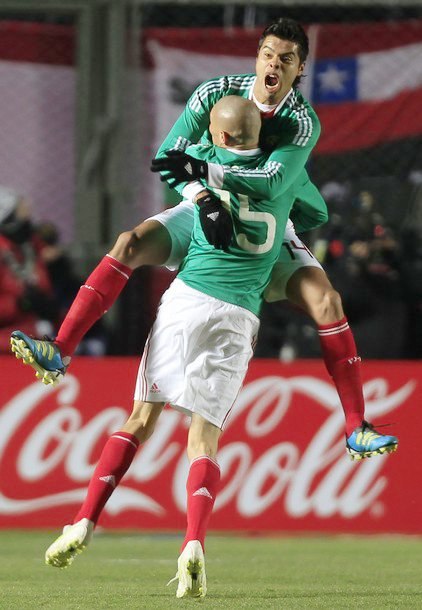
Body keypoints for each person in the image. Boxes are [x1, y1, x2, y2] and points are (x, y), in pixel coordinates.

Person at [10, 17, 397, 459]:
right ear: (257, 57)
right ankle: (59, 349)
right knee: (130, 242)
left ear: (299, 69)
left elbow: (271, 182)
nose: (274, 64)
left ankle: (355, 427)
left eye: (286, 59)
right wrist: (203, 196)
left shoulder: (301, 121)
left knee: (327, 302)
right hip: (205, 201)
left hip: (271, 221)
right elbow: (167, 156)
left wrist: (204, 169)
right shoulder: (215, 93)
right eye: (268, 54)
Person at [43, 96, 308, 596]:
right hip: (238, 316)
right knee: (203, 441)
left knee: (141, 418)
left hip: (188, 300)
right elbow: (312, 206)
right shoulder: (278, 180)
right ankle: (193, 543)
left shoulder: (209, 168)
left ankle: (82, 521)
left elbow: (169, 158)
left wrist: (201, 183)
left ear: (222, 138)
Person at [0, 187, 59, 353]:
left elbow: (44, 288)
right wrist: (18, 304)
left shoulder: (29, 249)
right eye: (21, 215)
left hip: (32, 330)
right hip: (8, 336)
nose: (28, 222)